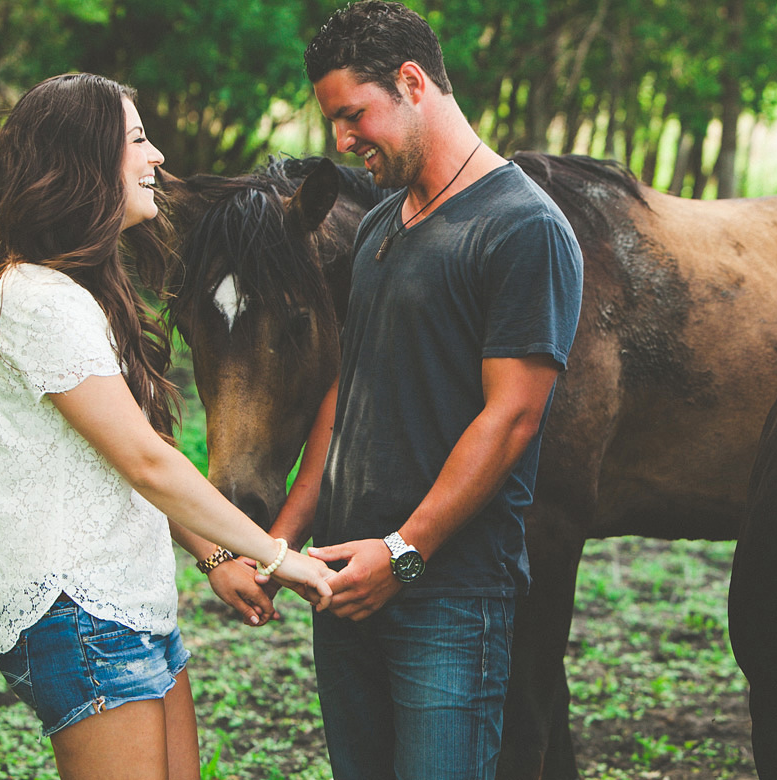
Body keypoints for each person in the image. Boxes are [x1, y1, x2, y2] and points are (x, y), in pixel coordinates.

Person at [0, 72, 334, 780]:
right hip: (79, 614)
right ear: (84, 162)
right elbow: (145, 463)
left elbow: (138, 448)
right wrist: (280, 555)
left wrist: (217, 558)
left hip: (128, 604)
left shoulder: (76, 293)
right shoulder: (39, 300)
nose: (158, 155)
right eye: (136, 139)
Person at [264, 3, 584, 777]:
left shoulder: (521, 228)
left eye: (352, 114)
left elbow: (512, 418)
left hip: (448, 599)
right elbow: (347, 395)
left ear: (412, 83)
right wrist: (279, 543)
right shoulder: (382, 227)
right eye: (333, 121)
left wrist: (402, 556)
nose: (340, 141)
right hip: (344, 589)